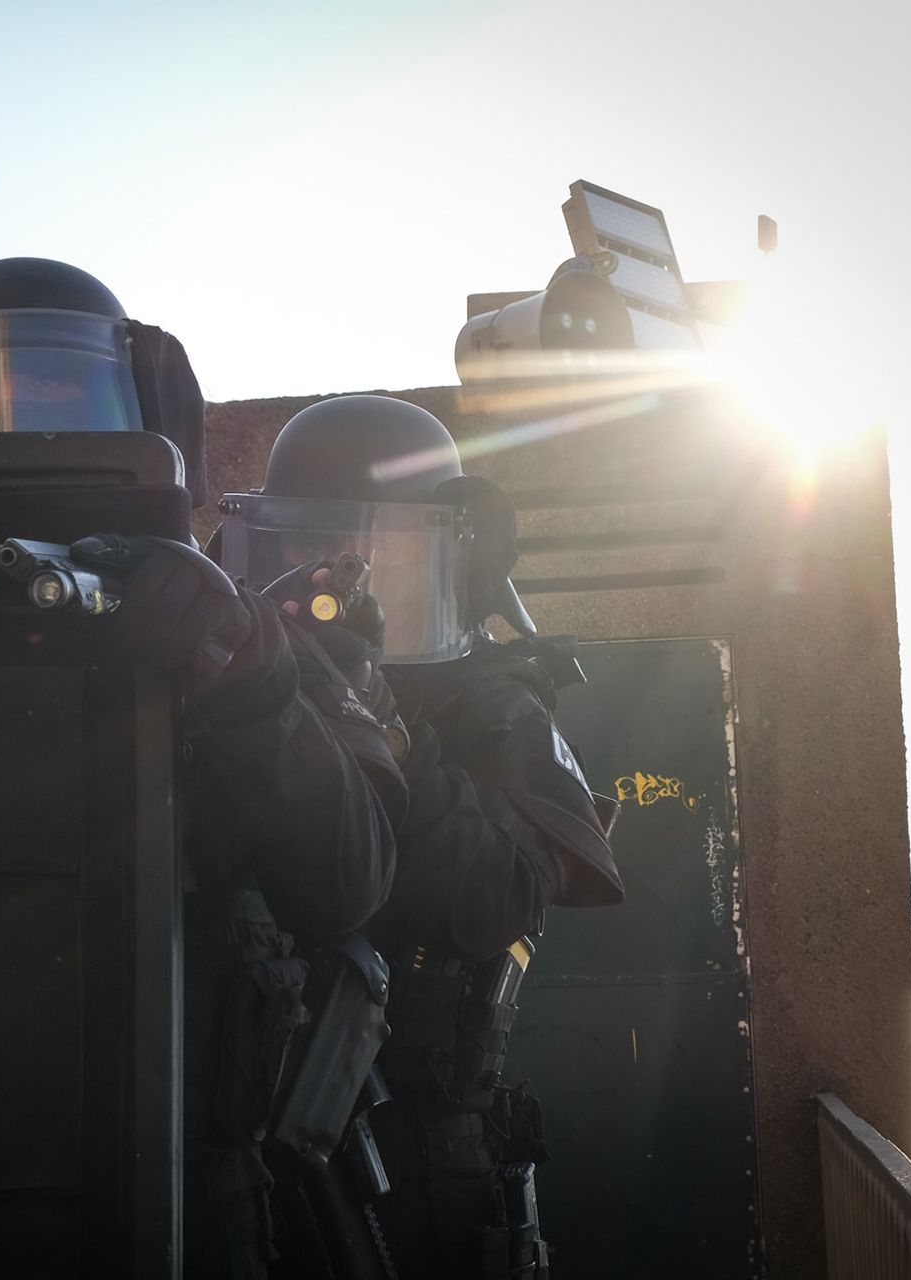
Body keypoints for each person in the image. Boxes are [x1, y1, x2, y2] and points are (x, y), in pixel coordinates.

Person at [0, 260, 404, 1276]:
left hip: (182, 1182)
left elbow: (351, 877)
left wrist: (243, 679)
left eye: (63, 404)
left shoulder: (228, 625)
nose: (23, 442)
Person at [218, 394, 626, 1278]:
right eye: (305, 542)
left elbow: (498, 897)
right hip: (238, 1147)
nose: (336, 571)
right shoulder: (242, 682)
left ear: (438, 556)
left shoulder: (497, 704)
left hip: (420, 1165)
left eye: (376, 549)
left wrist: (386, 728)